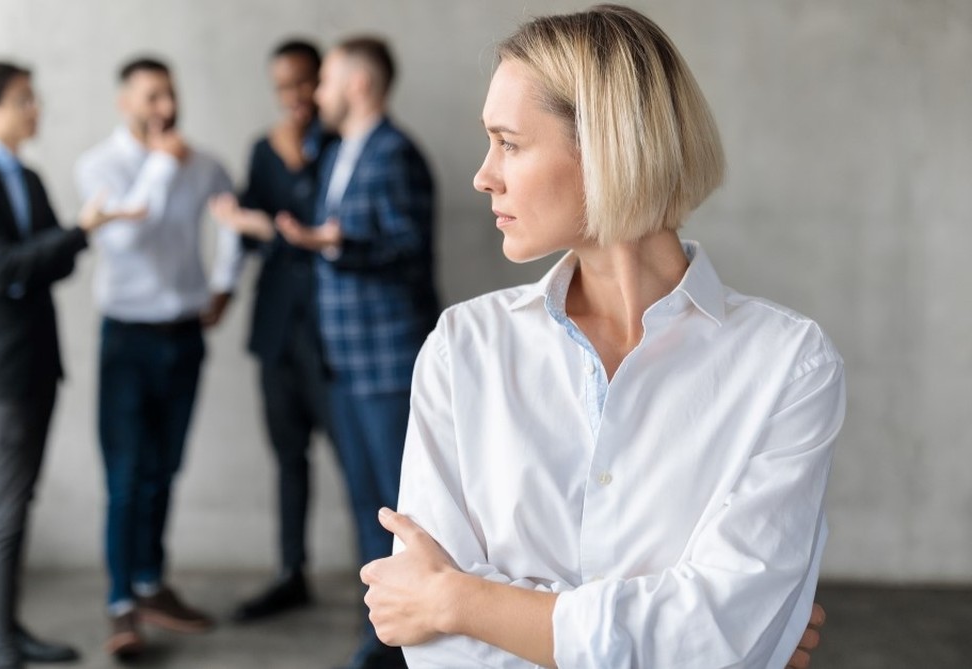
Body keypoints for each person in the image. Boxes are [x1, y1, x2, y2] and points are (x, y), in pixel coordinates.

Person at [358, 6, 843, 669]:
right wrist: (703, 638)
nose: (483, 175)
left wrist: (463, 600)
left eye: (509, 142)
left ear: (607, 145)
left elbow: (719, 631)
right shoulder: (462, 347)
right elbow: (444, 655)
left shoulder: (789, 363)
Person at [0, 61, 139, 669]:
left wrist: (20, 261)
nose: (35, 109)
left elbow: (50, 264)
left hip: (36, 360)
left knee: (18, 499)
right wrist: (62, 238)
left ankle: (2, 629)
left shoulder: (26, 175)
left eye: (34, 98)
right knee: (3, 503)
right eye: (23, 100)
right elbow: (9, 263)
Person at [275, 36, 438, 669]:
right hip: (340, 362)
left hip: (387, 361)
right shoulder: (342, 149)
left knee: (403, 514)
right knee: (367, 507)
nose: (315, 94)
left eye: (326, 82)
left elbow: (408, 249)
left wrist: (337, 243)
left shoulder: (397, 154)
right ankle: (385, 635)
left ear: (359, 85)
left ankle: (407, 641)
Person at [74, 56, 242, 659]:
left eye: (169, 96)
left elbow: (233, 223)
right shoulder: (99, 167)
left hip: (184, 337)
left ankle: (150, 583)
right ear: (125, 102)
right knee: (126, 475)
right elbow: (122, 239)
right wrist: (161, 170)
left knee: (165, 468)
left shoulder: (204, 164)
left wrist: (224, 286)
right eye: (151, 97)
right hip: (127, 338)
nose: (164, 109)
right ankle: (121, 601)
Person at [208, 38, 338, 623]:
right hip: (278, 329)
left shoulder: (342, 143)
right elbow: (244, 226)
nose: (295, 97)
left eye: (304, 83)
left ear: (323, 80)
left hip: (336, 332)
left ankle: (383, 587)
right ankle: (291, 572)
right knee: (288, 459)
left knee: (363, 464)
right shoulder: (263, 148)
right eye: (283, 87)